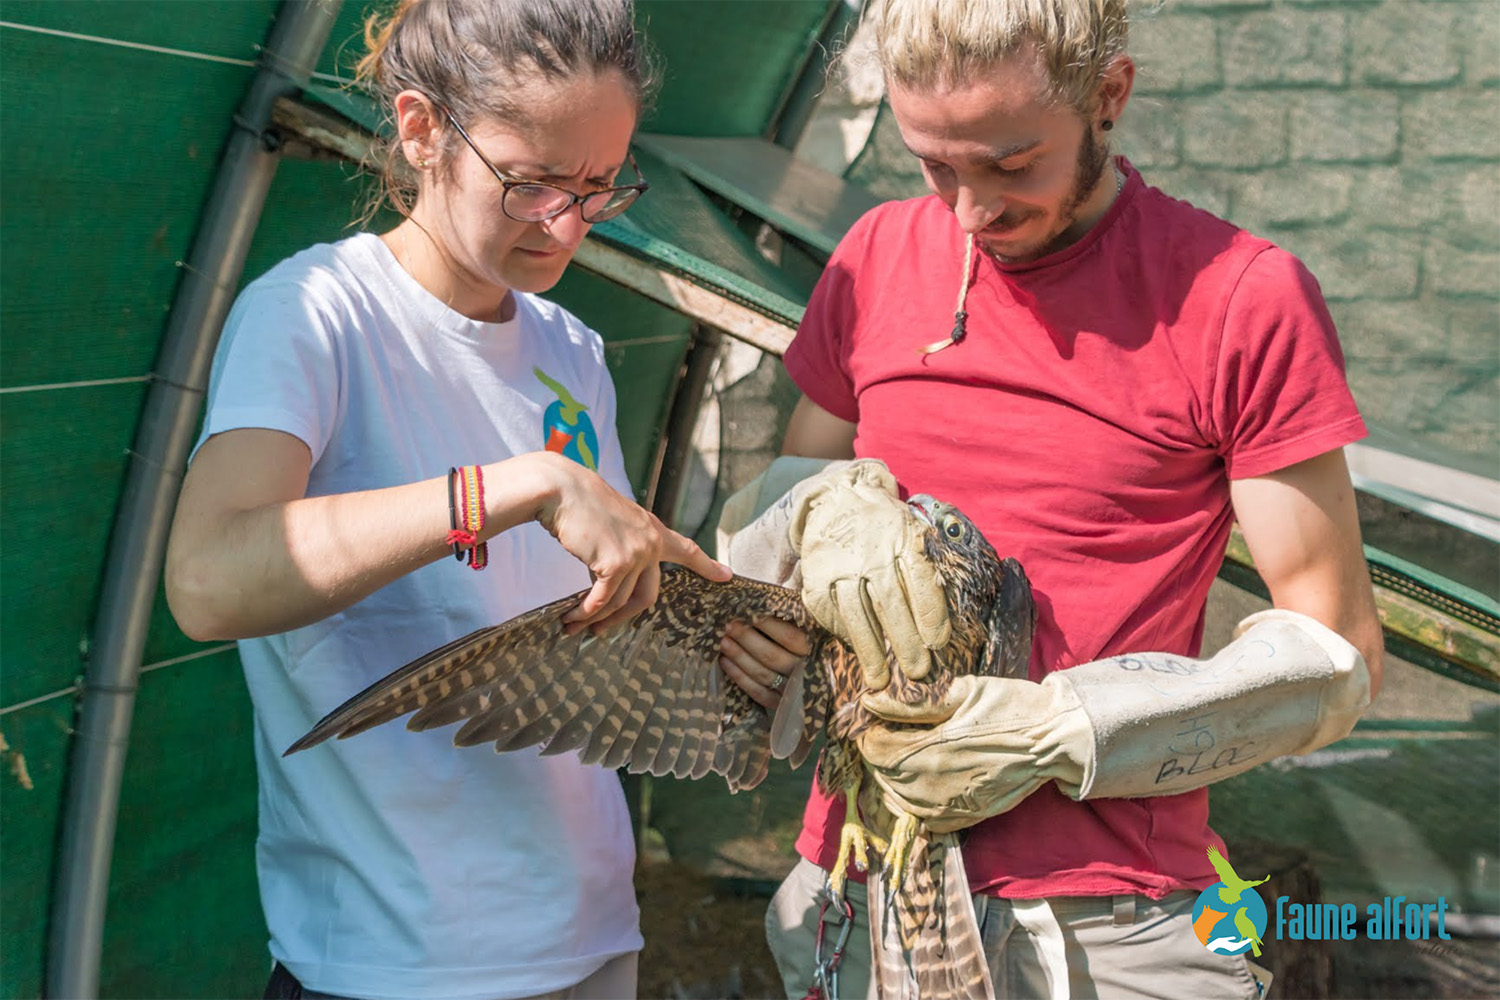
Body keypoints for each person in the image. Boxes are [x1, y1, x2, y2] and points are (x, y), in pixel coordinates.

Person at [716, 1, 1387, 996]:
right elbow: (771, 523)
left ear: (1109, 96)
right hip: (867, 884)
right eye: (933, 164)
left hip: (1112, 923)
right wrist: (796, 529)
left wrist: (1070, 729)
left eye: (1010, 162)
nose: (968, 211)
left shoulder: (1238, 297)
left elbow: (1337, 651)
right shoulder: (874, 258)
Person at [163, 2, 731, 997]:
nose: (565, 223)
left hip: (590, 932)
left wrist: (722, 624)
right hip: (399, 958)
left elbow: (581, 632)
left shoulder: (572, 352)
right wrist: (517, 486)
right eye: (531, 183)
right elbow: (210, 578)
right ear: (423, 129)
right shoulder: (315, 314)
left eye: (599, 186)